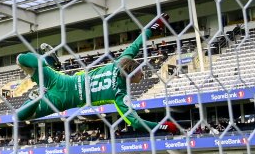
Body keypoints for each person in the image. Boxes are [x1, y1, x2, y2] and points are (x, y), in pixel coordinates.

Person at [16, 15, 179, 134]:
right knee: (19, 117)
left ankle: (46, 62)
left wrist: (154, 26)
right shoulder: (119, 95)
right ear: (130, 76)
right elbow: (136, 123)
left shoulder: (121, 62)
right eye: (140, 73)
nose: (143, 74)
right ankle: (36, 97)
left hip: (62, 80)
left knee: (21, 60)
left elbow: (137, 43)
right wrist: (165, 126)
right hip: (63, 100)